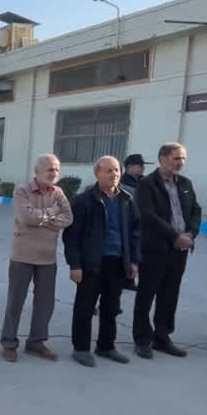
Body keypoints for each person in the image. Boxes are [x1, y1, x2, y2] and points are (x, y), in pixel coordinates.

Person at [63, 156, 141, 368]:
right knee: (85, 307)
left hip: (118, 263)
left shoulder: (127, 199)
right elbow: (72, 236)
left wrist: (134, 261)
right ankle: (81, 349)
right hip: (91, 263)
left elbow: (135, 233)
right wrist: (75, 265)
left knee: (111, 308)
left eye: (117, 170)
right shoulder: (84, 200)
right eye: (108, 170)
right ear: (97, 173)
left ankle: (106, 346)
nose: (114, 174)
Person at [0, 154, 72, 362]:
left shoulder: (58, 192)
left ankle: (36, 342)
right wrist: (52, 212)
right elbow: (26, 218)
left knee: (45, 303)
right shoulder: (22, 191)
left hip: (48, 257)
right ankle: (9, 343)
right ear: (37, 171)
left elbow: (68, 218)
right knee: (15, 301)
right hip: (22, 255)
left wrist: (40, 217)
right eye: (50, 169)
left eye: (57, 169)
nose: (54, 173)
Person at [133, 143, 201, 358]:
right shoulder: (147, 184)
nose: (180, 162)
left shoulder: (186, 183)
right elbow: (148, 215)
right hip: (155, 249)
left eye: (183, 158)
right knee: (146, 294)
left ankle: (162, 337)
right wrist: (175, 236)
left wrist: (190, 234)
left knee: (170, 294)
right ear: (162, 158)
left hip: (180, 250)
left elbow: (196, 210)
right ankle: (143, 339)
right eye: (176, 158)